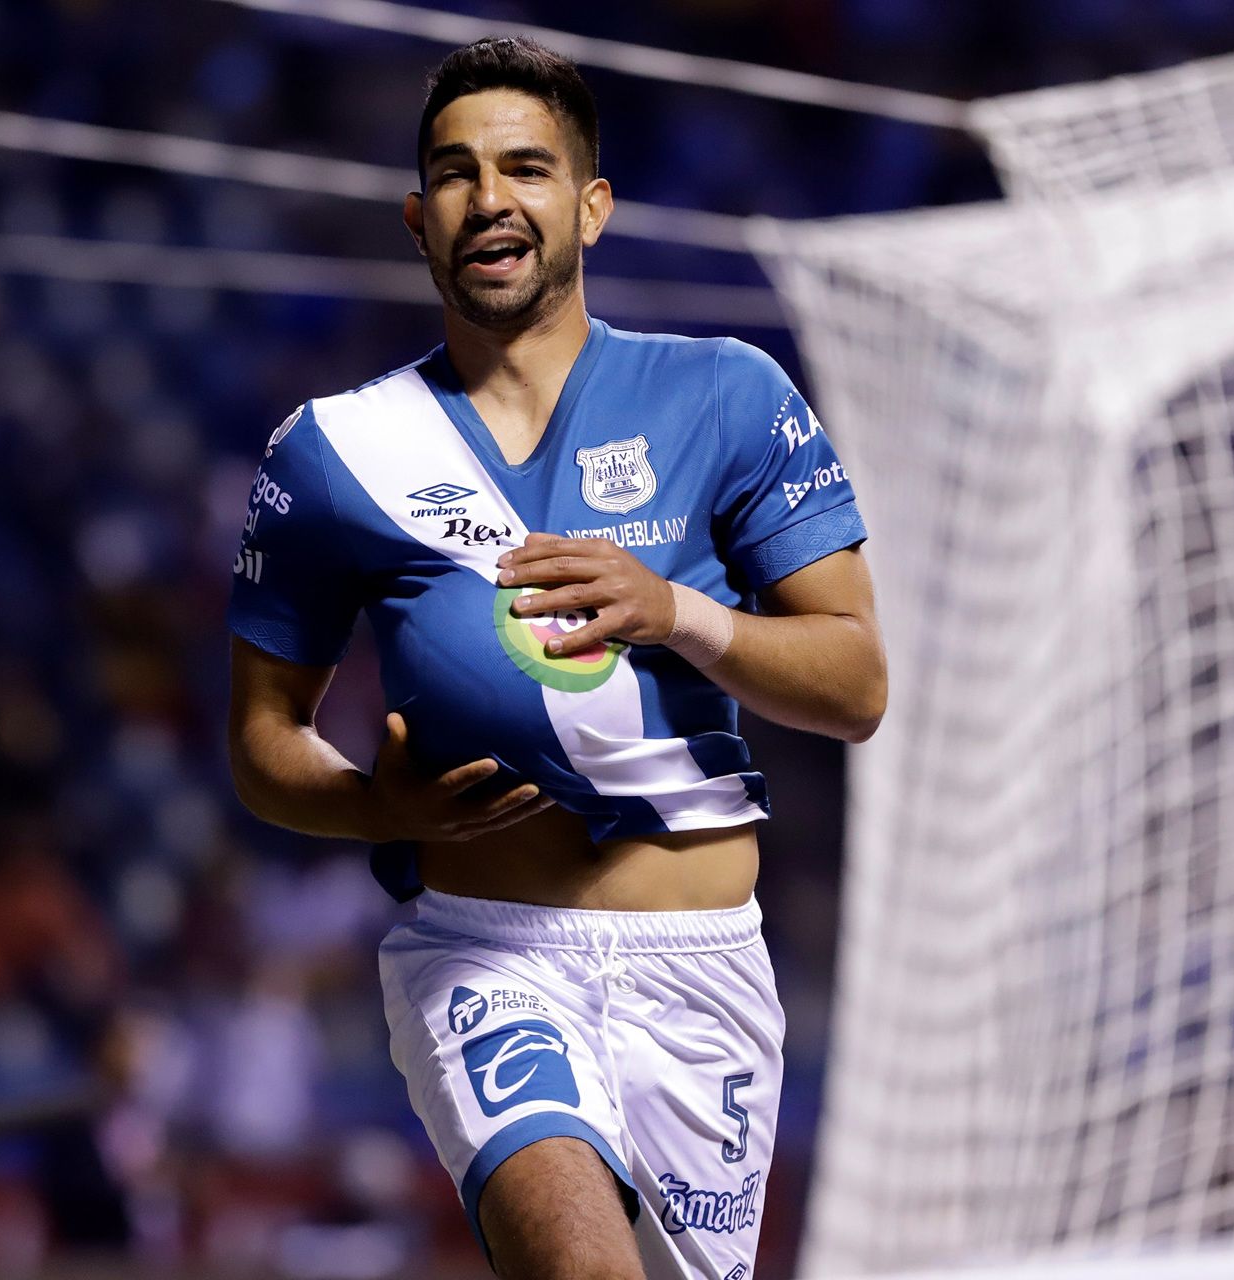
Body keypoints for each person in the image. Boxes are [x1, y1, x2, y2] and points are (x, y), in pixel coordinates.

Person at [226, 37, 886, 1280]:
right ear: (421, 221)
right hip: (485, 948)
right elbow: (262, 740)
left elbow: (857, 684)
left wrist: (676, 611)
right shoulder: (334, 450)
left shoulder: (727, 394)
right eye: (457, 173)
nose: (491, 197)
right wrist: (376, 804)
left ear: (591, 206)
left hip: (704, 970)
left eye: (526, 167)